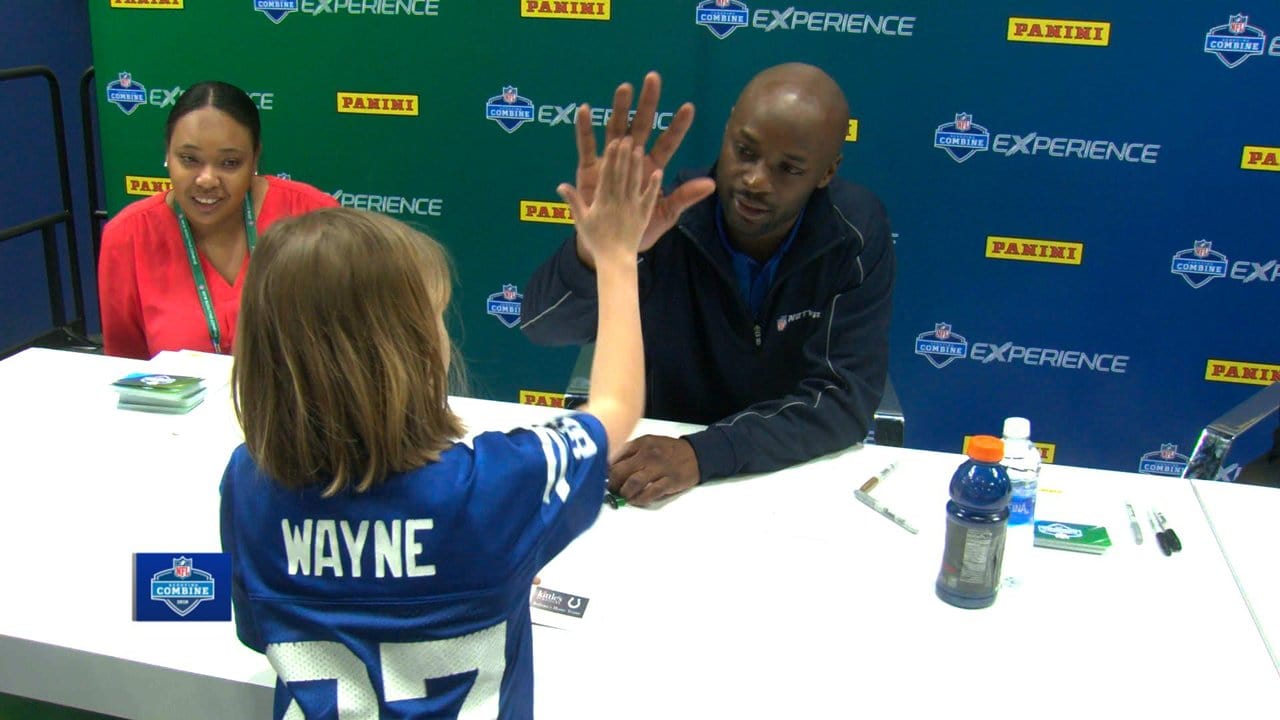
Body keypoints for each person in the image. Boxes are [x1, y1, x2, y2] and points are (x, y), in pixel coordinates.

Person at [219, 137, 658, 718]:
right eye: (433, 319)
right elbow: (615, 406)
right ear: (409, 354)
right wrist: (618, 255)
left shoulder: (248, 483)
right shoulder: (502, 484)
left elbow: (258, 632)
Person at [520, 64, 896, 506]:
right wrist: (600, 250)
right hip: (657, 468)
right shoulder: (664, 219)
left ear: (826, 172)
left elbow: (841, 398)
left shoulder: (853, 234)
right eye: (745, 150)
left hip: (786, 472)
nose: (755, 179)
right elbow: (543, 326)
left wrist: (705, 453)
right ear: (728, 129)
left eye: (788, 169)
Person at [98, 80, 337, 360]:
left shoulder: (312, 214)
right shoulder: (129, 236)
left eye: (229, 163)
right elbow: (126, 366)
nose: (207, 179)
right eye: (189, 159)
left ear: (255, 158)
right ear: (167, 153)